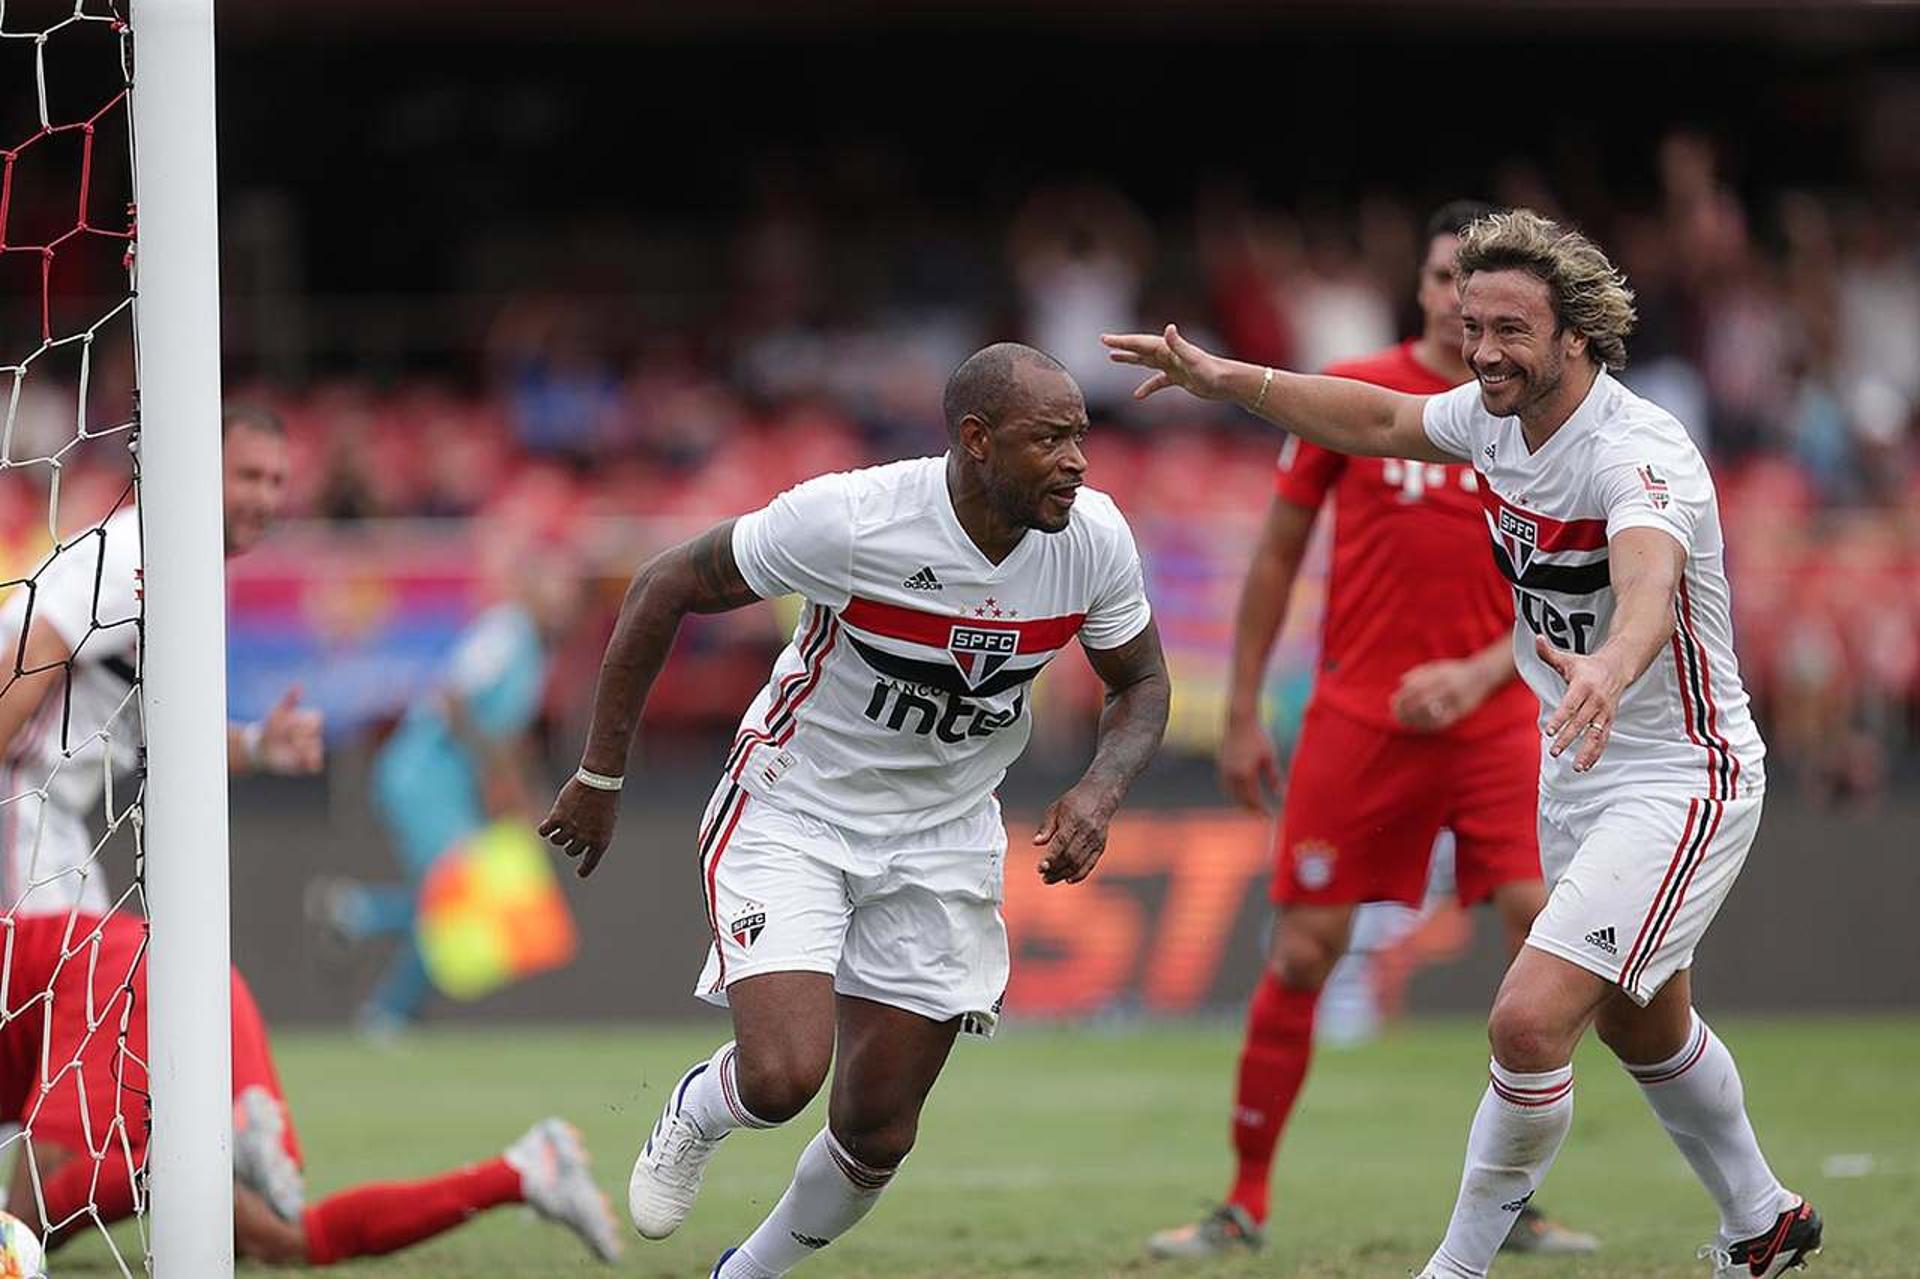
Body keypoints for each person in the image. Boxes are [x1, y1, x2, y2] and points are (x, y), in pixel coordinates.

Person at [1105, 210, 1819, 1279]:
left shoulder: (1639, 451)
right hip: (1578, 768)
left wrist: (1610, 665)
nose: (1481, 349)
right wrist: (1229, 381)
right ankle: (1763, 1220)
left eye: (1510, 330)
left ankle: (1455, 1268)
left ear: (1576, 335)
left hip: (1681, 774)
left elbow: (1647, 583)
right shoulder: (1493, 418)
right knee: (1640, 1026)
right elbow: (1380, 419)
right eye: (1471, 323)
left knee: (1528, 1023)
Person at [539, 342, 1170, 1278]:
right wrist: (600, 775)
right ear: (977, 441)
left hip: (944, 831)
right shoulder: (851, 519)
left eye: (1082, 436)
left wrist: (1099, 788)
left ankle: (742, 1275)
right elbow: (662, 583)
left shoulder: (1093, 538)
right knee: (783, 1076)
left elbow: (1143, 680)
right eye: (1052, 439)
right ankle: (696, 1111)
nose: (1080, 460)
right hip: (798, 807)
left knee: (877, 1130)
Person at [1147, 202, 1593, 1261]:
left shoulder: (1551, 417)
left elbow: (1585, 577)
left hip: (1496, 717)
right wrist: (1248, 706)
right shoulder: (1364, 391)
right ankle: (1245, 1197)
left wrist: (1488, 667)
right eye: (1444, 278)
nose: (1456, 300)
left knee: (1541, 940)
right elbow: (1275, 555)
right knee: (1305, 951)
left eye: (1475, 285)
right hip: (1360, 712)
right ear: (1427, 289)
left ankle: (1512, 1198)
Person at [2, 909, 621, 1265]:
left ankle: (200, 1155)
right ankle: (525, 1170)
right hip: (190, 970)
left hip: (113, 976)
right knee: (287, 1238)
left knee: (23, 1231)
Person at [0, 405, 323, 916]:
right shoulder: (139, 551)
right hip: (17, 814)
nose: (265, 497)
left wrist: (261, 744)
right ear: (197, 468)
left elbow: (175, 737)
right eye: (248, 476)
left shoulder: (202, 576)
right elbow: (26, 656)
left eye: (277, 481)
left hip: (56, 834)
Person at [316, 560, 584, 1033]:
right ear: (530, 593)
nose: (561, 605)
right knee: (452, 901)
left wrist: (526, 796)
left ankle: (361, 923)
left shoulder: (538, 656)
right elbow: (455, 698)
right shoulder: (504, 633)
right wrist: (494, 779)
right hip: (423, 776)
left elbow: (508, 737)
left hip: (452, 788)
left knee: (455, 901)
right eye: (552, 591)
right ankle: (383, 992)